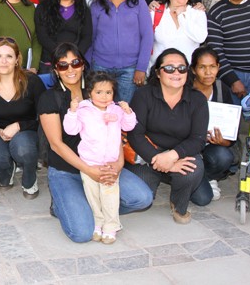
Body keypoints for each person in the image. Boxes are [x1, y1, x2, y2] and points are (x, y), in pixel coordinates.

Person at [38, 42, 153, 243]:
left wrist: (117, 164)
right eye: (63, 65)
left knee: (142, 198)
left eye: (75, 62)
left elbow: (114, 129)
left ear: (83, 64)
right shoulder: (49, 98)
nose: (70, 69)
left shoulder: (100, 91)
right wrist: (89, 171)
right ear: (56, 70)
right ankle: (66, 205)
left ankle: (101, 212)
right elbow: (56, 144)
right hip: (67, 170)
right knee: (81, 233)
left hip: (103, 164)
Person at [127, 48, 208, 224]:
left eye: (182, 68)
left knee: (194, 179)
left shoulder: (198, 100)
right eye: (169, 68)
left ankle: (178, 204)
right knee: (141, 196)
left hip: (181, 153)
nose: (176, 73)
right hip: (148, 154)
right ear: (157, 72)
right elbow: (135, 134)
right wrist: (157, 159)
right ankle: (162, 177)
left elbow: (198, 139)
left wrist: (172, 156)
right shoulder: (143, 95)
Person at [62, 71, 136, 244]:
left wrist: (128, 112)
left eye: (108, 92)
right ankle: (98, 221)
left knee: (109, 193)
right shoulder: (83, 110)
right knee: (93, 194)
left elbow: (128, 126)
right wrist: (72, 111)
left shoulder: (116, 110)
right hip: (89, 162)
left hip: (110, 163)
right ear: (90, 92)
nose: (104, 97)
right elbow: (70, 130)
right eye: (99, 92)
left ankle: (111, 225)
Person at [0, 38, 46, 198]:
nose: (3, 61)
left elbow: (45, 116)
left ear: (17, 60)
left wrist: (19, 126)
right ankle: (6, 171)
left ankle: (30, 179)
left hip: (28, 131)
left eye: (9, 56)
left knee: (22, 148)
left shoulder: (32, 81)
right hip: (0, 132)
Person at [86, 0, 153, 102]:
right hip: (100, 66)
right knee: (101, 108)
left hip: (130, 69)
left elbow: (147, 36)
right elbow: (90, 37)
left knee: (125, 109)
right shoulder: (97, 5)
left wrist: (141, 68)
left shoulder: (139, 3)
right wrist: (88, 67)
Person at [189, 46, 238, 204]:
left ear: (218, 67)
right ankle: (190, 179)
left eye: (212, 67)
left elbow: (231, 133)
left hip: (211, 145)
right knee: (203, 199)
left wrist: (223, 141)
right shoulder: (185, 90)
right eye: (202, 67)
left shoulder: (221, 88)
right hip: (187, 146)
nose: (208, 72)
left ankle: (209, 177)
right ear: (194, 70)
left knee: (224, 156)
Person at [35, 0, 92, 74]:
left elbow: (87, 37)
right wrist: (61, 56)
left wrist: (74, 57)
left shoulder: (84, 10)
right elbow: (42, 37)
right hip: (50, 64)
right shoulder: (42, 8)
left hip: (75, 64)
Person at [148, 0, 207, 73]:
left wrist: (181, 16)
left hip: (187, 73)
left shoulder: (197, 12)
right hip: (159, 73)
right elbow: (145, 42)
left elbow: (200, 37)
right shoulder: (155, 12)